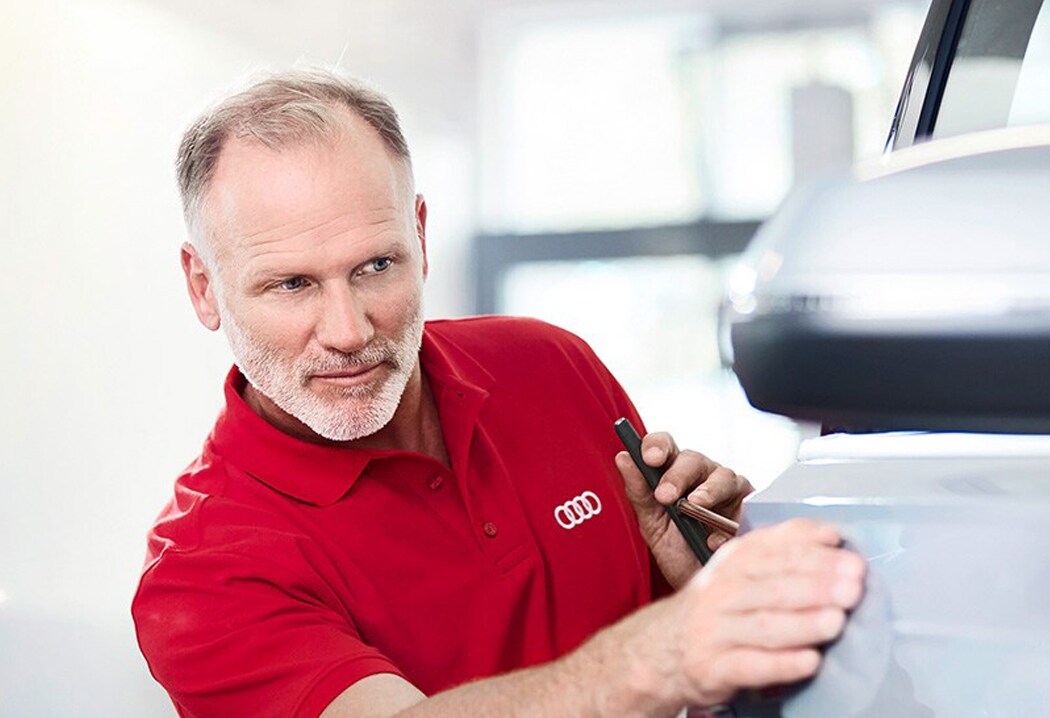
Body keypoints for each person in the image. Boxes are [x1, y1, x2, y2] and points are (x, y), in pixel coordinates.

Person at [132, 68, 866, 718]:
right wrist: (668, 649)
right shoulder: (200, 576)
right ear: (204, 288)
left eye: (377, 266)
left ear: (420, 237)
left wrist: (712, 582)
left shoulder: (548, 364)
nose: (349, 331)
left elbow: (701, 679)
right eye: (292, 284)